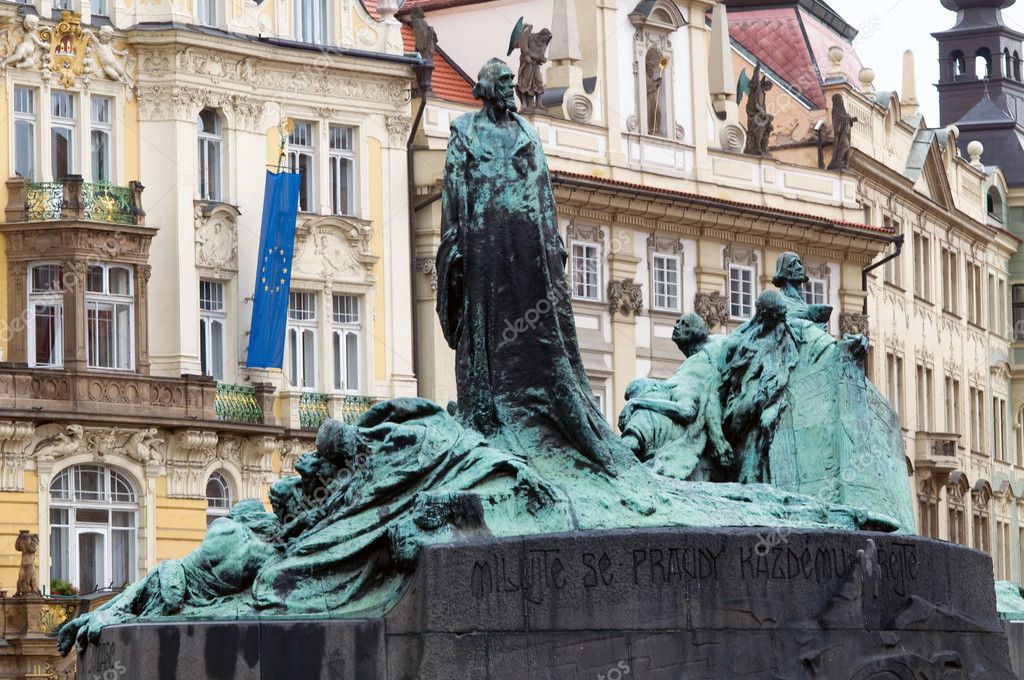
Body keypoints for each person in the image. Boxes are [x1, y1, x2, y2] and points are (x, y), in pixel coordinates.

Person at [435, 58, 629, 474]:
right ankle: (490, 410)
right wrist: (454, 246)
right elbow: (453, 192)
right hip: (483, 243)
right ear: (486, 88)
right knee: (486, 328)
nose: (510, 87)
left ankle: (542, 414)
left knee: (540, 329)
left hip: (527, 246)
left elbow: (543, 192)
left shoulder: (527, 131)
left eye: (511, 80)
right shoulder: (465, 132)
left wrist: (553, 243)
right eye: (503, 81)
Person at [619, 314, 732, 480]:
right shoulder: (688, 366)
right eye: (677, 321)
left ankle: (621, 456)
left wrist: (637, 403)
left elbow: (686, 411)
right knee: (641, 407)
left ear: (696, 331)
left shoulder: (697, 368)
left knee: (643, 415)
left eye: (684, 324)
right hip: (668, 417)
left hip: (678, 423)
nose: (676, 325)